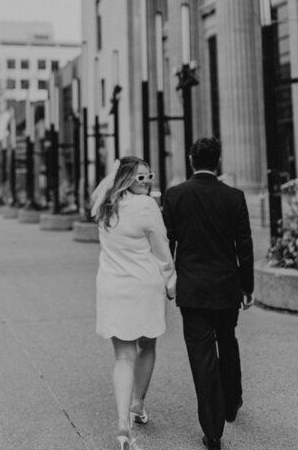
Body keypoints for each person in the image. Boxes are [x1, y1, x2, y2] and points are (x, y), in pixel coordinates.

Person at [162, 137, 254, 450]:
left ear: (191, 160)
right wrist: (248, 286)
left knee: (202, 355)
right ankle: (232, 402)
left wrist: (168, 280)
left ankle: (213, 430)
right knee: (227, 341)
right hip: (227, 286)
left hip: (193, 288)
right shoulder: (234, 197)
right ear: (218, 161)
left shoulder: (174, 196)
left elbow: (167, 244)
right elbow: (244, 245)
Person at [92, 156, 176, 450]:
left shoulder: (105, 206)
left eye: (149, 175)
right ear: (127, 179)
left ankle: (123, 424)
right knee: (147, 345)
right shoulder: (147, 206)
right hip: (143, 284)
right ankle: (137, 404)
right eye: (140, 177)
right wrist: (171, 280)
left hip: (112, 287)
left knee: (123, 357)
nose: (147, 181)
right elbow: (161, 246)